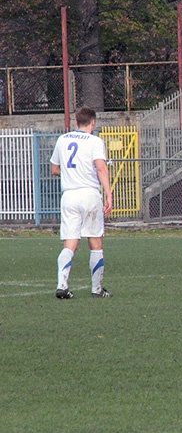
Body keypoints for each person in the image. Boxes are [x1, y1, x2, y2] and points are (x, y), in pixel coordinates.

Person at [49, 106, 113, 299]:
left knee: (70, 243)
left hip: (69, 196)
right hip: (89, 194)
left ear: (76, 122)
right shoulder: (95, 141)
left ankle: (62, 285)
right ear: (93, 123)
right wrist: (109, 195)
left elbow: (55, 169)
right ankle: (96, 289)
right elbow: (101, 168)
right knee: (95, 241)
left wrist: (71, 174)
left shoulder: (63, 139)